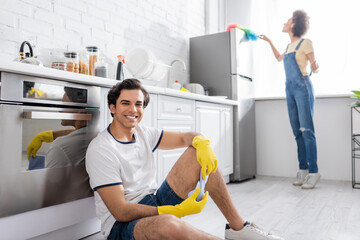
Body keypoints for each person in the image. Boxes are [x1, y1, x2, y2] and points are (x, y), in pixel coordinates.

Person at [85, 78, 284, 240]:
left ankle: (238, 229)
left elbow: (185, 137)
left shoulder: (143, 133)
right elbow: (121, 211)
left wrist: (201, 141)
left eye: (138, 104)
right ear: (112, 108)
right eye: (125, 103)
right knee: (170, 225)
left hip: (153, 200)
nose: (133, 110)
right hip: (122, 226)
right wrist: (175, 211)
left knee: (201, 154)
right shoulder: (102, 149)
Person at [261, 10, 320, 189]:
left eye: (288, 20)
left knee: (307, 131)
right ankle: (302, 170)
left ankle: (314, 172)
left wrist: (316, 67)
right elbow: (280, 58)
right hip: (290, 90)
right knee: (297, 132)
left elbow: (314, 67)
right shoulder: (288, 47)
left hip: (303, 87)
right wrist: (270, 42)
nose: (285, 23)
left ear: (294, 24)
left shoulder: (306, 43)